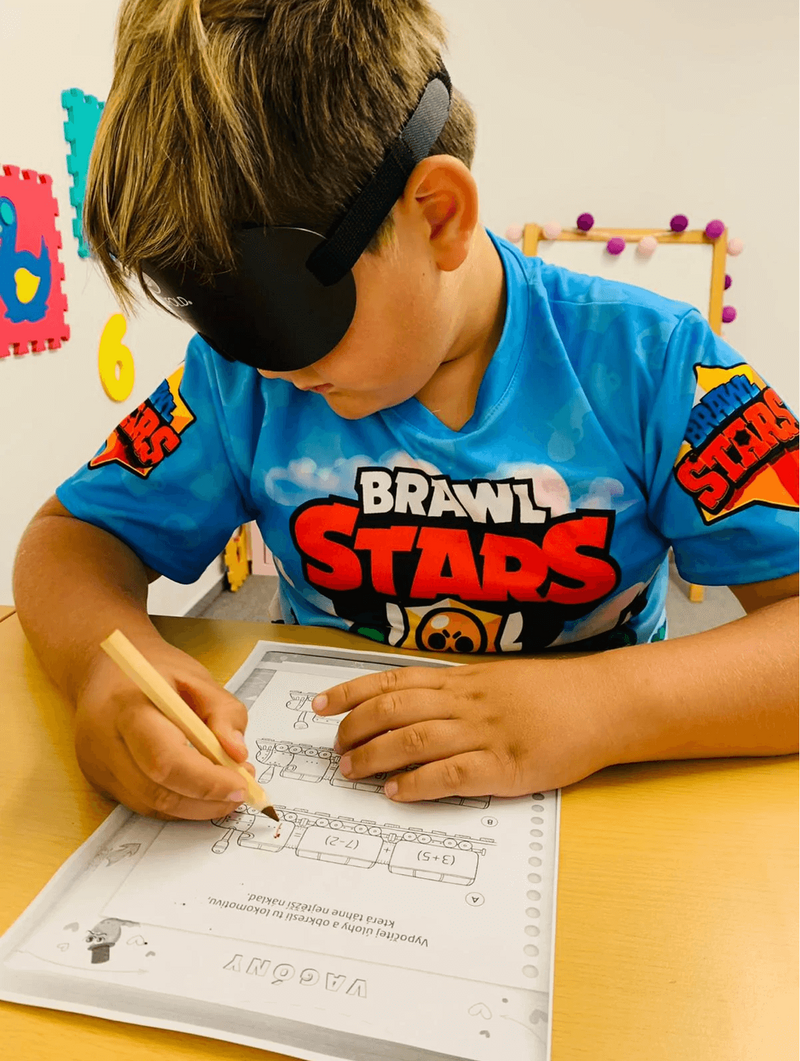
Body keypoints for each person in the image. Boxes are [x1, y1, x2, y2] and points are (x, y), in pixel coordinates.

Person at [13, 0, 798, 823]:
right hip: (326, 801)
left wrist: (597, 705)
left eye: (284, 317)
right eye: (227, 325)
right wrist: (107, 665)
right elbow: (66, 541)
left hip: (597, 812)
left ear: (439, 215)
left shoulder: (655, 364)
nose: (269, 367)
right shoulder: (240, 384)